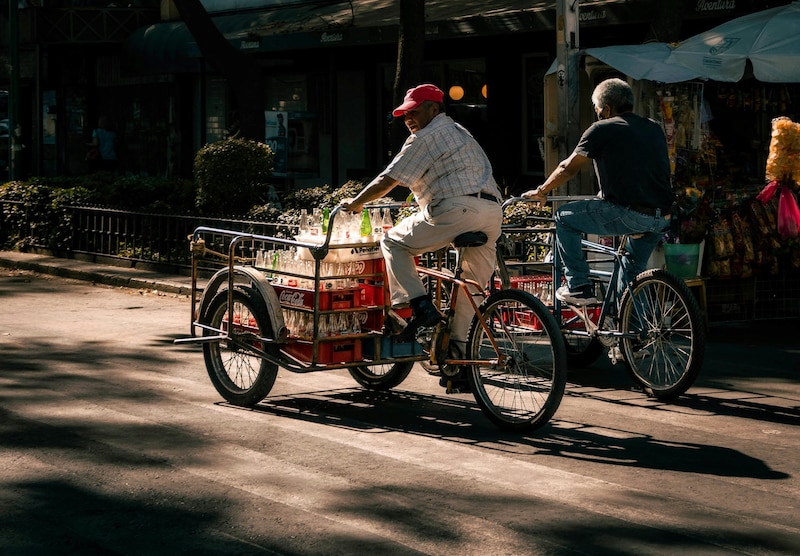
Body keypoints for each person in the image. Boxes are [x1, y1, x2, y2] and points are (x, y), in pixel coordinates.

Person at [341, 84, 503, 388]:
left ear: (434, 109)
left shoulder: (425, 138)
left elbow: (387, 180)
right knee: (471, 289)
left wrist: (356, 203)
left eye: (415, 110)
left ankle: (418, 306)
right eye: (404, 114)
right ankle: (459, 362)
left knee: (392, 241)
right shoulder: (461, 132)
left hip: (455, 210)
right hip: (492, 212)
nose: (409, 118)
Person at [523, 78, 675, 306]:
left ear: (606, 108)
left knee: (563, 218)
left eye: (596, 108)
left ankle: (578, 287)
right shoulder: (653, 127)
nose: (596, 113)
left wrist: (542, 191)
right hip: (661, 217)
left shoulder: (601, 128)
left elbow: (568, 168)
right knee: (631, 272)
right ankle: (630, 335)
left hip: (627, 212)